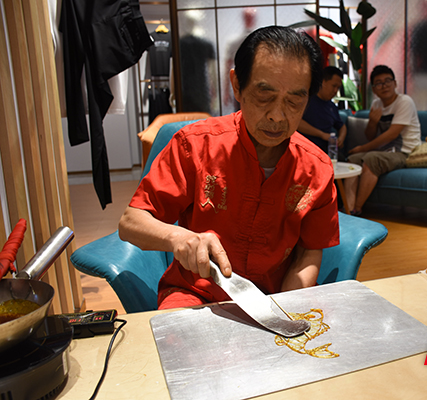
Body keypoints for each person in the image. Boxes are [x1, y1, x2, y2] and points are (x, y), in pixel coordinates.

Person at [118, 26, 340, 310]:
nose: (277, 116)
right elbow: (131, 222)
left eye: (294, 101)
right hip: (195, 293)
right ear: (237, 85)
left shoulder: (317, 169)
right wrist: (179, 237)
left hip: (272, 298)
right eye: (264, 96)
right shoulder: (195, 145)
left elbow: (309, 252)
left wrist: (285, 308)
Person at [344, 65, 421, 216]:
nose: (384, 86)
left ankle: (356, 210)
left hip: (405, 152)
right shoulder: (376, 105)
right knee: (353, 160)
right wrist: (372, 122)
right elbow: (370, 136)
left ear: (395, 83)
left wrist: (362, 148)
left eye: (387, 81)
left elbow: (391, 135)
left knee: (372, 158)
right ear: (374, 89)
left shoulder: (404, 101)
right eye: (378, 83)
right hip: (386, 151)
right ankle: (347, 209)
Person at [298, 66, 347, 155]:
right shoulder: (306, 100)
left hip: (327, 149)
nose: (335, 91)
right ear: (323, 82)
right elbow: (297, 122)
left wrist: (341, 139)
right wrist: (321, 134)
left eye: (338, 88)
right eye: (334, 86)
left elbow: (342, 126)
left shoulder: (332, 106)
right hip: (305, 147)